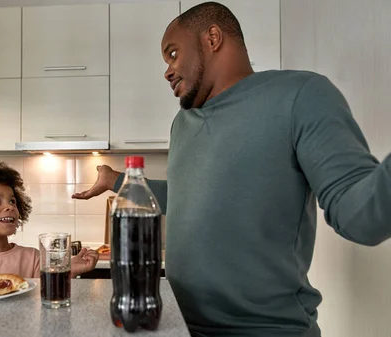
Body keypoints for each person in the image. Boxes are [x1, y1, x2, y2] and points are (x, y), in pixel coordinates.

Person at [73, 2, 391, 337]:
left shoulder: (301, 95)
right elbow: (184, 196)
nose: (167, 70)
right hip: (180, 327)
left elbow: (359, 213)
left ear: (212, 38)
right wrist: (117, 181)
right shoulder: (183, 123)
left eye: (173, 53)